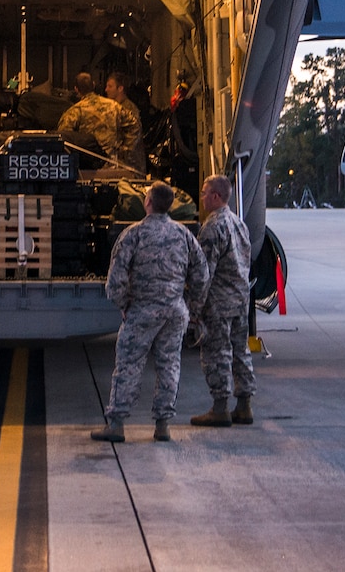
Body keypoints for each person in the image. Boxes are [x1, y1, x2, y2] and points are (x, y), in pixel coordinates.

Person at [92, 181, 207, 443]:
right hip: (174, 311)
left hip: (143, 310)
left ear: (148, 203)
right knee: (169, 365)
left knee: (128, 365)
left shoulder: (134, 234)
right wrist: (188, 303)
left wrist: (124, 305)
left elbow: (116, 278)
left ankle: (117, 424)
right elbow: (202, 273)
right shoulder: (183, 234)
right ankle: (163, 425)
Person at [188, 175, 257, 427]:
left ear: (216, 196)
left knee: (216, 353)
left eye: (205, 192)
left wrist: (195, 308)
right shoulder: (239, 223)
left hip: (218, 303)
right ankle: (244, 405)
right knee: (240, 351)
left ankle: (220, 408)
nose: (202, 196)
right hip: (240, 299)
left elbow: (204, 272)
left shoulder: (212, 228)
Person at [56, 72, 120, 163]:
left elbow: (62, 140)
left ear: (76, 89)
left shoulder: (74, 111)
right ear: (93, 85)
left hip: (88, 167)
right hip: (113, 164)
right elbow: (133, 124)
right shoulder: (114, 106)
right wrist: (125, 150)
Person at [104, 72, 146, 171]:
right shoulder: (112, 108)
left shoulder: (129, 110)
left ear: (120, 88)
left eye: (110, 86)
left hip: (130, 166)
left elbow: (133, 140)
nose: (106, 90)